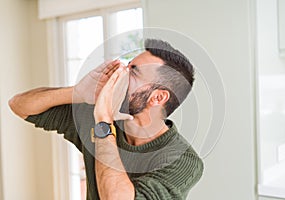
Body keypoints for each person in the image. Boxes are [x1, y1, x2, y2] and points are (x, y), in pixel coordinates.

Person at [9, 39, 203, 200]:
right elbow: (19, 105)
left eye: (134, 71)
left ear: (158, 98)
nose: (121, 74)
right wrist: (77, 93)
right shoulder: (93, 115)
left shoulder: (183, 161)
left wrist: (103, 122)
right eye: (126, 66)